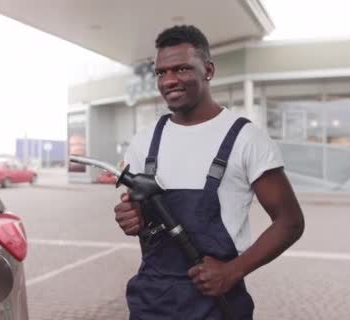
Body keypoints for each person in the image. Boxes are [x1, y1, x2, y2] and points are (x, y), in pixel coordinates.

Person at [113, 25, 305, 320]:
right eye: (161, 73)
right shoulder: (144, 141)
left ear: (209, 70)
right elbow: (139, 214)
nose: (170, 80)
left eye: (181, 69)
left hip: (217, 307)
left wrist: (233, 270)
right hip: (151, 305)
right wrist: (131, 218)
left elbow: (290, 222)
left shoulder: (246, 139)